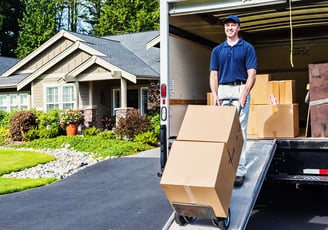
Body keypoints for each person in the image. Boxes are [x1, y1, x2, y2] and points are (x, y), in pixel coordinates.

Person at [209, 15, 257, 187]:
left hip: (240, 89)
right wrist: (215, 94)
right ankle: (222, 168)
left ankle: (240, 171)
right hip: (222, 90)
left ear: (238, 28)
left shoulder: (247, 48)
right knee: (222, 132)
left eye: (232, 25)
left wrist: (245, 93)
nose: (229, 28)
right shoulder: (217, 50)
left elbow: (252, 73)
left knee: (240, 131)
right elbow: (213, 74)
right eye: (227, 25)